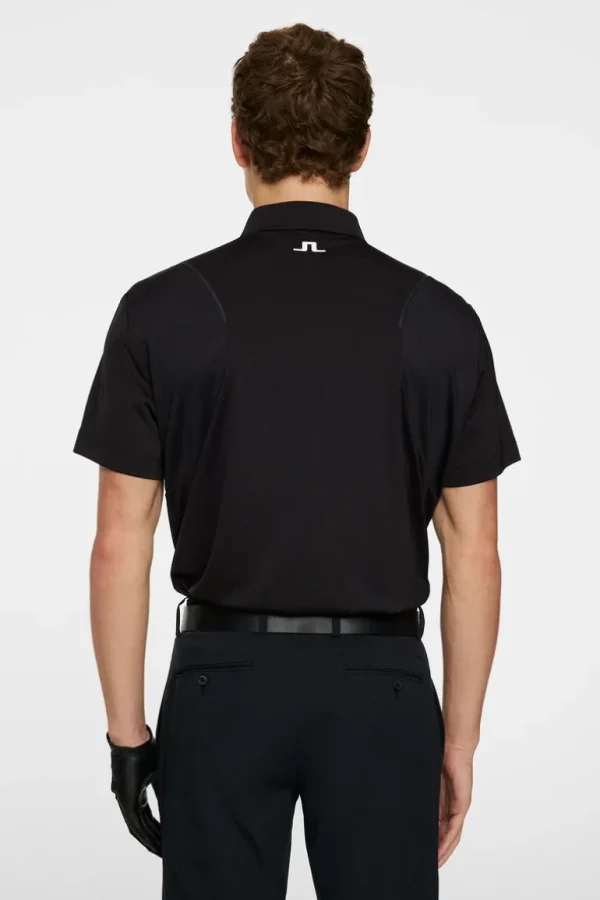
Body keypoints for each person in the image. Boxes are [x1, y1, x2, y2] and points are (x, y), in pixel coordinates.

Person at [73, 22, 520, 900]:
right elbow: (474, 550)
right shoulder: (441, 320)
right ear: (362, 147)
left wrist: (128, 738)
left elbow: (119, 542)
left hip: (222, 683)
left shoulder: (161, 311)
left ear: (238, 141)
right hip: (382, 690)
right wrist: (459, 741)